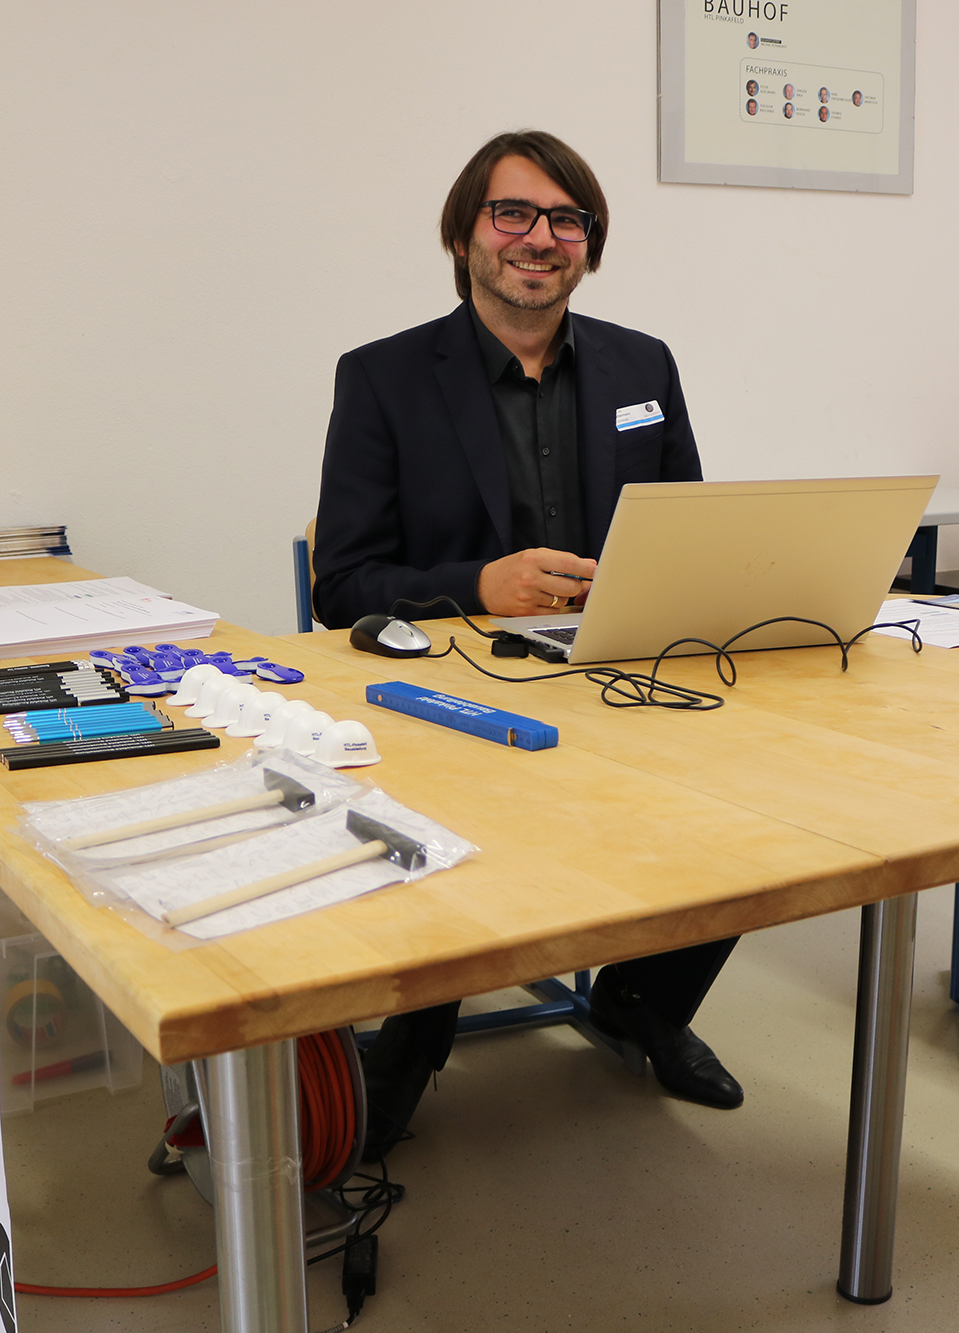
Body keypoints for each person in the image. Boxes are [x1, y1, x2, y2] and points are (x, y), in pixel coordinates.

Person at [312, 130, 741, 1156]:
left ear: (588, 243)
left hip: (618, 670)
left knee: (749, 798)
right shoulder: (382, 377)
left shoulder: (643, 363)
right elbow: (341, 586)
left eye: (565, 219)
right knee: (444, 813)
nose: (539, 237)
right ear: (464, 234)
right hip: (455, 690)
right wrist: (476, 586)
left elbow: (684, 534)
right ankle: (413, 1041)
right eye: (512, 213)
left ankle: (643, 1002)